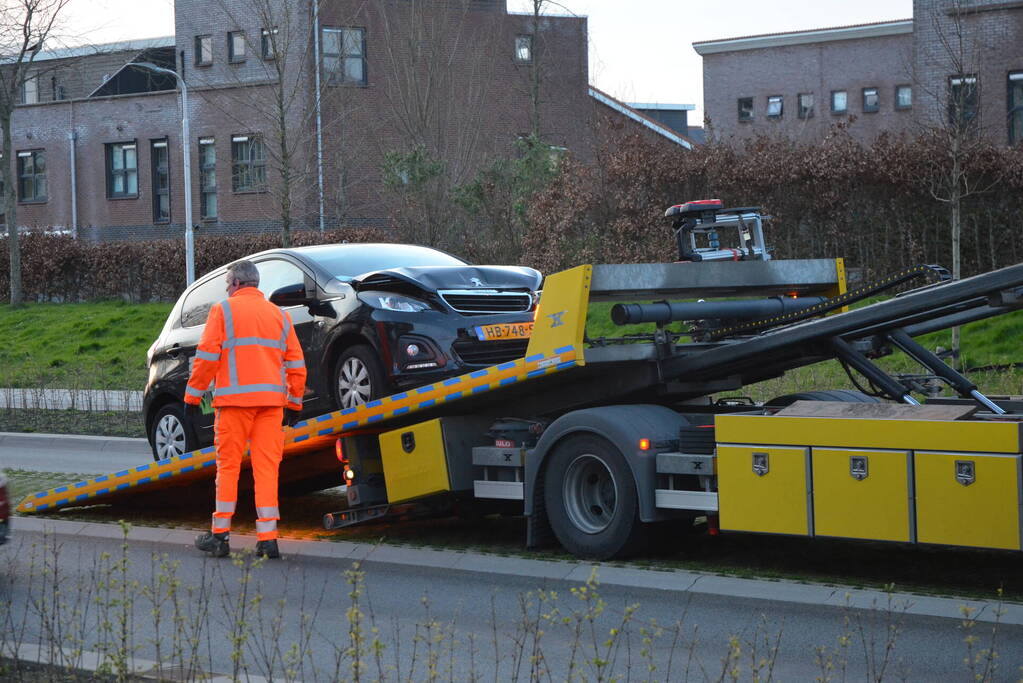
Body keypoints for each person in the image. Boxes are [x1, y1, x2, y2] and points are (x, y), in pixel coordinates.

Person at [184, 259, 306, 559]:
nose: (227, 288)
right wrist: (294, 401)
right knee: (267, 469)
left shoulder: (222, 312)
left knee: (228, 468)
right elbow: (297, 363)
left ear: (237, 283)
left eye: (228, 284)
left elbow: (207, 358)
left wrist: (191, 397)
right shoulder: (279, 315)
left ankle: (221, 536)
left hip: (234, 405)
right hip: (271, 406)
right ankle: (268, 540)